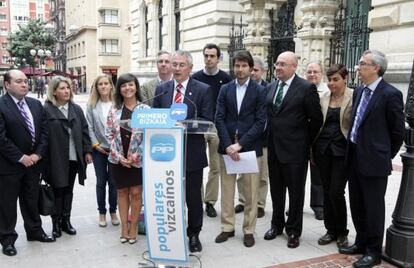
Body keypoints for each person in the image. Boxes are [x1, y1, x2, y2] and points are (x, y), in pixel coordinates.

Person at [339, 50, 405, 267]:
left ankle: (374, 252)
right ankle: (360, 241)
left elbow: (397, 132)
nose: (358, 67)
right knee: (356, 204)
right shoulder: (359, 91)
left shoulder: (391, 94)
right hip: (355, 157)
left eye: (363, 63)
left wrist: (384, 154)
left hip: (374, 163)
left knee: (373, 208)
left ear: (376, 67)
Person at [153, 50, 213, 253]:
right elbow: (156, 118)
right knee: (170, 196)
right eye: (173, 64)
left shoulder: (202, 90)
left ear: (189, 67)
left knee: (193, 198)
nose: (176, 68)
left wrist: (185, 125)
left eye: (180, 65)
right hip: (166, 155)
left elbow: (206, 120)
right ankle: (171, 232)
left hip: (192, 155)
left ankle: (193, 234)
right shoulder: (162, 89)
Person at [264, 51, 323, 248]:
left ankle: (293, 231)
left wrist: (304, 142)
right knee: (276, 191)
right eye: (276, 64)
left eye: (282, 64)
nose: (278, 68)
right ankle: (276, 224)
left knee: (296, 194)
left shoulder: (306, 88)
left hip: (296, 152)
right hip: (274, 150)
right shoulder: (271, 86)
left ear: (293, 67)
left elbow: (316, 119)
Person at [0, 70, 55, 257]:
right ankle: (7, 239)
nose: (24, 84)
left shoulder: (35, 104)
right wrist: (22, 157)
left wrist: (37, 155)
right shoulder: (1, 105)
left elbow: (45, 133)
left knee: (31, 199)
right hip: (9, 166)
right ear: (7, 85)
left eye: (25, 81)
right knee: (7, 205)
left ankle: (35, 231)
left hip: (33, 164)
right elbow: (1, 138)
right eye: (19, 81)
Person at [214, 50, 266, 248]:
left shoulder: (260, 91)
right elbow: (218, 117)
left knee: (251, 192)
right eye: (237, 65)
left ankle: (249, 230)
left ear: (251, 68)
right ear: (233, 67)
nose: (240, 69)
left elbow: (261, 121)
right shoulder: (225, 89)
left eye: (244, 66)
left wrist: (240, 144)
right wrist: (228, 144)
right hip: (227, 147)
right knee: (227, 190)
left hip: (249, 147)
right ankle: (227, 227)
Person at [43, 76, 93, 238]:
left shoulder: (76, 109)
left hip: (73, 157)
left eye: (68, 88)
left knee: (68, 190)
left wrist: (87, 151)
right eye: (62, 88)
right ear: (54, 91)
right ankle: (55, 223)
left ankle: (66, 220)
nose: (66, 91)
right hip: (55, 158)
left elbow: (85, 131)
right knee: (57, 190)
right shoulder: (47, 109)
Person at [312, 64, 353, 248]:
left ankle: (342, 232)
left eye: (335, 79)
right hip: (323, 150)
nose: (331, 83)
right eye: (329, 79)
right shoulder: (323, 98)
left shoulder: (354, 96)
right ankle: (331, 230)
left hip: (342, 151)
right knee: (327, 191)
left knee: (337, 191)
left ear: (345, 78)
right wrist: (311, 150)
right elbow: (316, 125)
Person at [106, 73, 148, 244]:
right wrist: (118, 156)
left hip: (137, 159)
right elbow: (108, 134)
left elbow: (149, 135)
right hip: (118, 160)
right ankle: (124, 227)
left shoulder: (145, 110)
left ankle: (134, 227)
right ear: (119, 90)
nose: (127, 88)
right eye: (123, 86)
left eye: (130, 85)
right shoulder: (114, 109)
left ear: (136, 87)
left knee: (136, 193)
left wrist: (137, 154)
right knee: (122, 192)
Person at [192, 43, 232, 218]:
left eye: (212, 56)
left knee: (215, 167)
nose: (209, 59)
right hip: (199, 126)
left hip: (217, 127)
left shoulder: (226, 78)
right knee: (197, 165)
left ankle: (210, 201)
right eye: (206, 55)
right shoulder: (196, 77)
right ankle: (197, 199)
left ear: (218, 58)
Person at [235, 56, 268, 218]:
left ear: (263, 71)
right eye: (252, 69)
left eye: (256, 70)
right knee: (242, 173)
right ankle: (243, 201)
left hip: (262, 138)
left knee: (261, 174)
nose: (253, 72)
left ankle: (259, 204)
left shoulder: (267, 89)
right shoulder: (239, 88)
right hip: (244, 139)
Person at [86, 74, 119, 227]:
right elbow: (89, 127)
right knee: (101, 182)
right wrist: (95, 145)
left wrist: (117, 146)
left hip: (115, 149)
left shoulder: (118, 103)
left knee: (113, 182)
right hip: (99, 149)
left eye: (106, 83)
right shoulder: (92, 105)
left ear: (111, 86)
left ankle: (113, 210)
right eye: (100, 84)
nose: (104, 86)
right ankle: (102, 212)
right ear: (96, 87)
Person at [305, 62, 329, 221]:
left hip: (318, 139)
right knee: (296, 176)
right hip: (300, 139)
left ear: (322, 74)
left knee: (318, 175)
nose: (312, 74)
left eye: (315, 72)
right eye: (309, 72)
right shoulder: (301, 88)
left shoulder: (327, 92)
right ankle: (295, 204)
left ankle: (318, 206)